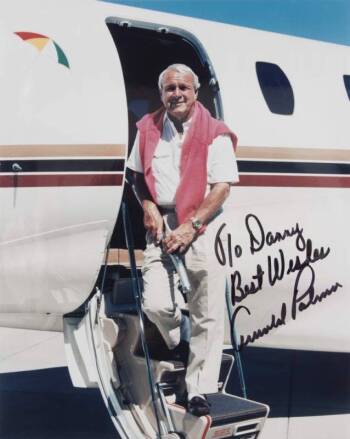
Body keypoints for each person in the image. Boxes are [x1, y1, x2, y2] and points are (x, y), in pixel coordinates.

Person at [127, 63, 239, 416]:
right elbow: (135, 177)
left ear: (195, 91)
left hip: (202, 222)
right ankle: (179, 339)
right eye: (169, 88)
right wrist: (148, 207)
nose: (176, 94)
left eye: (183, 88)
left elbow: (221, 188)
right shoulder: (147, 129)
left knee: (207, 311)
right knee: (155, 303)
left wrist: (191, 227)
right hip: (161, 221)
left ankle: (199, 388)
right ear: (162, 94)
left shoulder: (216, 133)